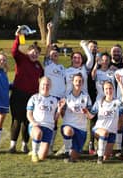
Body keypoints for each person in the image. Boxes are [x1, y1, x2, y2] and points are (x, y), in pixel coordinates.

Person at [10, 27, 44, 153]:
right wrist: (18, 37)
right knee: (16, 120)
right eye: (33, 52)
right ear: (28, 52)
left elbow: (44, 77)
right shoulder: (22, 58)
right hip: (18, 94)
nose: (34, 54)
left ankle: (25, 144)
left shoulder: (38, 65)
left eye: (37, 53)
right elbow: (14, 51)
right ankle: (12, 145)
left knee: (27, 121)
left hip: (32, 97)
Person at [85, 74, 123, 164]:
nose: (109, 90)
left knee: (106, 157)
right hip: (98, 130)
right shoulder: (99, 102)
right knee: (104, 133)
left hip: (112, 132)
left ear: (113, 89)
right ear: (103, 91)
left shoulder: (116, 102)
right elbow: (91, 116)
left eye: (110, 88)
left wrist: (120, 83)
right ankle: (99, 157)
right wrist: (86, 112)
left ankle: (101, 152)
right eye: (106, 89)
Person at [27, 77, 65, 162]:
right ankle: (34, 154)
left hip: (48, 128)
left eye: (48, 84)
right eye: (43, 84)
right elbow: (29, 114)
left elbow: (55, 119)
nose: (45, 86)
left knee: (42, 157)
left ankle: (35, 150)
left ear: (50, 86)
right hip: (36, 126)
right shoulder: (34, 98)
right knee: (38, 133)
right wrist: (33, 123)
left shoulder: (55, 100)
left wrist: (59, 109)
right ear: (40, 85)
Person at [44, 22, 66, 155]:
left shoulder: (63, 68)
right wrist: (50, 30)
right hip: (51, 97)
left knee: (68, 121)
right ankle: (50, 147)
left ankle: (68, 146)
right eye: (51, 53)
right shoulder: (47, 64)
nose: (54, 55)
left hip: (62, 98)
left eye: (56, 53)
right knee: (53, 122)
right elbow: (47, 46)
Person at [60, 73, 92, 162]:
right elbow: (62, 112)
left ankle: (72, 150)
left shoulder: (86, 97)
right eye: (76, 81)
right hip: (69, 125)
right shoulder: (66, 96)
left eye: (80, 81)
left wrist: (86, 112)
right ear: (72, 82)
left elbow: (90, 115)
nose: (78, 83)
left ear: (82, 83)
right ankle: (67, 151)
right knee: (68, 130)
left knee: (75, 157)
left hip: (81, 129)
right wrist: (66, 120)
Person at [87, 40, 99, 155]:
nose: (93, 49)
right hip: (87, 94)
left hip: (98, 95)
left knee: (96, 120)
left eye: (95, 47)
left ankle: (95, 143)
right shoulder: (86, 60)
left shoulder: (99, 60)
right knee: (91, 119)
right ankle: (90, 143)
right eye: (91, 47)